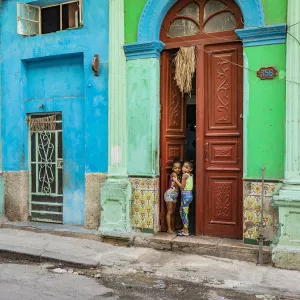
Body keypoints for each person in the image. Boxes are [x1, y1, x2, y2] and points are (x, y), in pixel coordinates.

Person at [173, 160, 194, 237]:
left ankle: (186, 231)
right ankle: (185, 229)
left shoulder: (185, 175)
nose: (184, 169)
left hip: (185, 196)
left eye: (186, 167)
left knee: (183, 213)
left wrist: (175, 180)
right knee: (185, 212)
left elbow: (182, 186)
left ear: (190, 169)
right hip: (189, 195)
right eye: (183, 167)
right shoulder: (191, 175)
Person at [164, 158, 182, 234]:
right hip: (169, 195)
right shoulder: (174, 174)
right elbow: (179, 185)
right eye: (175, 168)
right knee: (170, 211)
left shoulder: (179, 175)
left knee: (173, 212)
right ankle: (169, 229)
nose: (177, 169)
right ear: (172, 168)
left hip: (174, 195)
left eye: (179, 168)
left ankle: (173, 228)